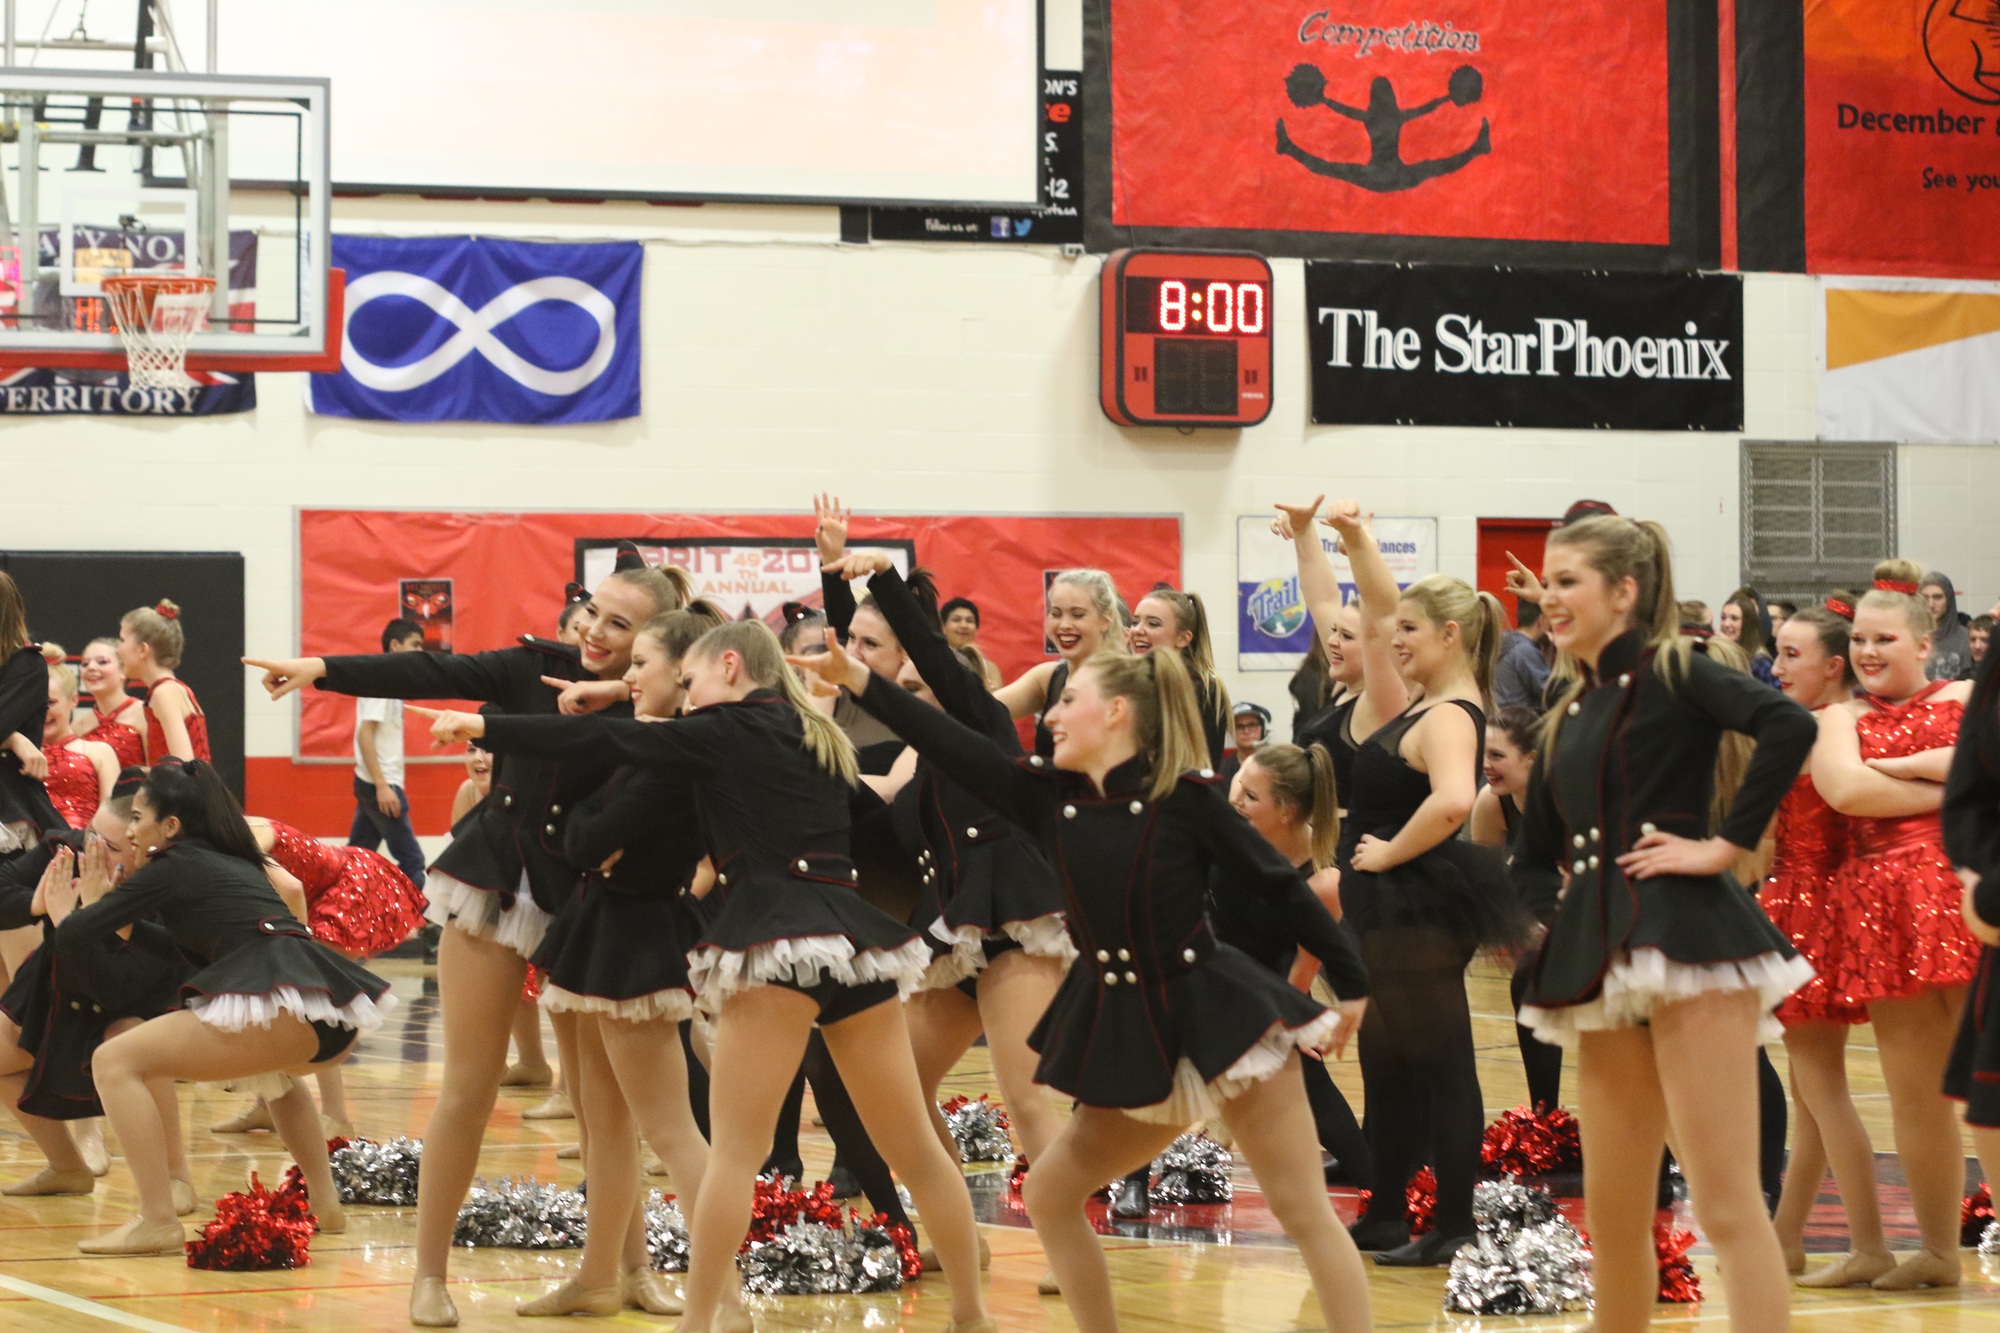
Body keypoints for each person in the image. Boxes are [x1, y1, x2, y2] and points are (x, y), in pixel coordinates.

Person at [419, 620, 994, 1333]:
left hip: (774, 944)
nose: (687, 697)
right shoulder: (817, 734)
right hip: (856, 942)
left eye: (691, 681)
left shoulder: (723, 729)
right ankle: (972, 1314)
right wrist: (619, 692)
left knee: (733, 1156)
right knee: (916, 1148)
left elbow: (604, 742)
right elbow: (880, 831)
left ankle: (701, 1323)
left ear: (728, 666)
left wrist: (484, 726)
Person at [795, 631, 1373, 1333]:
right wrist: (858, 678)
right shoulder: (1047, 797)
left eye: (1070, 701)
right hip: (1131, 1028)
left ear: (1118, 713)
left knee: (1303, 1209)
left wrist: (1351, 982)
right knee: (1050, 1193)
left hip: (1221, 1014)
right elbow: (948, 739)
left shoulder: (1184, 799)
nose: (1053, 714)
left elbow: (1281, 885)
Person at [244, 561, 692, 1328]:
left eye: (619, 625)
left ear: (653, 641)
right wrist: (319, 669)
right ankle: (429, 1275)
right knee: (468, 1090)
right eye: (593, 611)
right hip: (494, 884)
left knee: (604, 1107)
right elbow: (432, 670)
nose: (594, 630)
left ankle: (622, 1270)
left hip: (586, 902)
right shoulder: (531, 667)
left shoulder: (656, 703)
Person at [1515, 514, 1818, 1333]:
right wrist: (1561, 917)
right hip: (1603, 959)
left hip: (1692, 942)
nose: (1550, 596)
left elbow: (1789, 723)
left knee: (1725, 1201)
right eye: (1548, 581)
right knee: (1615, 1213)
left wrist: (1725, 844)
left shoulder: (1675, 668)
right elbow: (1531, 857)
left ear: (1624, 591)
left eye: (1569, 580)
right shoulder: (1568, 709)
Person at [1284, 498, 1522, 1268]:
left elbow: (1453, 800)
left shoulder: (1450, 711)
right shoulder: (1422, 699)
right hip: (1387, 906)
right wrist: (1348, 539)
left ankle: (1455, 1224)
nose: (1394, 638)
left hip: (1418, 902)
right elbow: (1379, 608)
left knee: (1443, 1063)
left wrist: (1388, 854)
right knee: (1386, 1063)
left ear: (1449, 634)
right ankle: (1387, 1211)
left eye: (1411, 630)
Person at [45, 760, 394, 1255]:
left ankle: (156, 1220)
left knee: (114, 1061)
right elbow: (177, 950)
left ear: (170, 826)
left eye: (138, 818)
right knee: (273, 1077)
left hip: (281, 1002)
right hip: (326, 1013)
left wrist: (73, 910)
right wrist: (109, 915)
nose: (130, 830)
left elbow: (75, 935)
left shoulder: (171, 864)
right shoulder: (225, 858)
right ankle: (324, 1204)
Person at [1808, 558, 1978, 1290]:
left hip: (1969, 895)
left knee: (1992, 1080)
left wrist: (1904, 769)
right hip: (1880, 909)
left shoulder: (1968, 695)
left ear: (1923, 641)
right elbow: (1847, 792)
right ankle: (1938, 1250)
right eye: (1859, 641)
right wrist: (1953, 779)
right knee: (1915, 1092)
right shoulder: (1838, 718)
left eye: (1884, 639)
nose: (1868, 652)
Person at [1760, 603, 1892, 1287]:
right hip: (1816, 907)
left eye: (1792, 655)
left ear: (1832, 665)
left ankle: (1870, 1244)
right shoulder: (1844, 723)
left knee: (1822, 1088)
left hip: (1808, 910)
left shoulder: (1821, 729)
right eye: (1777, 652)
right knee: (1811, 1093)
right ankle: (1786, 1240)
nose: (1777, 667)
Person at [0, 771, 184, 1200]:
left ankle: (176, 1176)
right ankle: (66, 1168)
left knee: (136, 1042)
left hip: (130, 1003)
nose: (93, 851)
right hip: (56, 985)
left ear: (146, 847)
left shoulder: (166, 886)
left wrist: (72, 919)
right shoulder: (66, 848)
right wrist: (35, 902)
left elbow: (118, 987)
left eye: (111, 847)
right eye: (91, 836)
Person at [1223, 741, 1372, 1185]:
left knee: (1298, 1061)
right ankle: (1130, 1180)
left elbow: (1302, 972)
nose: (1236, 800)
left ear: (1286, 811)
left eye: (1250, 796)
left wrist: (1289, 1024)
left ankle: (1373, 1179)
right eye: (1239, 787)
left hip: (1269, 982)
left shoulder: (1324, 882)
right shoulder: (1232, 835)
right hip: (1210, 967)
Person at [1469, 705, 1562, 1112]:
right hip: (1545, 915)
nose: (1486, 765)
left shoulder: (1564, 798)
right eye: (1483, 755)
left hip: (1595, 909)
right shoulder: (1492, 804)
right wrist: (1518, 927)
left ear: (1531, 758)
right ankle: (1545, 1116)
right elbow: (1488, 886)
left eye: (1497, 755)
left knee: (1532, 977)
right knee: (1527, 980)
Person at [992, 566, 1127, 759]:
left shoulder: (1129, 681)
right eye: (1056, 614)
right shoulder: (1047, 678)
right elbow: (980, 712)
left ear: (1105, 620)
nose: (1064, 625)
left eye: (1077, 615)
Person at [349, 619, 429, 891]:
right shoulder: (380, 681)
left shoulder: (390, 682)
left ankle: (339, 908)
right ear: (395, 645)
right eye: (414, 644)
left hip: (373, 783)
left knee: (357, 858)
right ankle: (410, 915)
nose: (420, 651)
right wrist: (382, 785)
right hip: (380, 784)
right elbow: (364, 734)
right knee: (413, 861)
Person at [1128, 587, 1231, 766]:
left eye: (1153, 624)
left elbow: (1205, 764)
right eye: (1135, 622)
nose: (1137, 630)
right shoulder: (1127, 682)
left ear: (1182, 638)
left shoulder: (1202, 689)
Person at [118, 601, 209, 764]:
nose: (118, 649)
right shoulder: (169, 689)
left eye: (122, 640)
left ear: (143, 650)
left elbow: (184, 766)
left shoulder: (164, 693)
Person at [38, 648, 118, 831]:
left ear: (73, 700)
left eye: (51, 703)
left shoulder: (100, 752)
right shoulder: (18, 756)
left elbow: (112, 819)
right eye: (35, 704)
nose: (43, 712)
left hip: (86, 845)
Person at [70, 637, 146, 770]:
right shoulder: (77, 726)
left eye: (102, 662)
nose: (91, 667)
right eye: (85, 664)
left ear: (123, 670)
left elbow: (159, 770)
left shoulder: (145, 713)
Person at [1491, 604, 1553, 710]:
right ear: (1541, 619)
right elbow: (1549, 692)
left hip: (1499, 716)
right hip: (1521, 717)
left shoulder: (1501, 643)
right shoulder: (1525, 651)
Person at [1720, 588, 1780, 688]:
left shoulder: (1761, 663)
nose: (1726, 624)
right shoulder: (1719, 655)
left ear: (1748, 623)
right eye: (1723, 617)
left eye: (1734, 618)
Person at [940, 596, 1003, 688]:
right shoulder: (934, 661)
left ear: (976, 630)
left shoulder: (989, 668)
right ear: (943, 627)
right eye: (956, 620)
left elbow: (998, 696)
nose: (964, 625)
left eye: (969, 621)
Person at [1923, 571, 1973, 681]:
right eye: (1925, 598)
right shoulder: (1910, 636)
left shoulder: (1965, 637)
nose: (1931, 604)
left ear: (1949, 600)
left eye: (1937, 597)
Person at [1220, 701, 1272, 783]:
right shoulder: (1223, 769)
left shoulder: (1276, 763)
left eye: (1252, 725)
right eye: (1239, 727)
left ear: (1262, 728)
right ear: (1231, 732)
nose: (1246, 731)